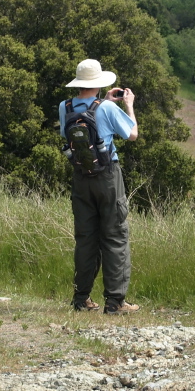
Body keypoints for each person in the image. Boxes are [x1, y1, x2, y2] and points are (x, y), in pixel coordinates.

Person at [58, 59, 140, 315]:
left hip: (81, 176)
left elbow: (65, 134)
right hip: (107, 177)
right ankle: (115, 302)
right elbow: (132, 134)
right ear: (99, 82)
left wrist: (102, 102)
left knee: (85, 239)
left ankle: (81, 299)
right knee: (115, 237)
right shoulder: (106, 107)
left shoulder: (65, 106)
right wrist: (128, 106)